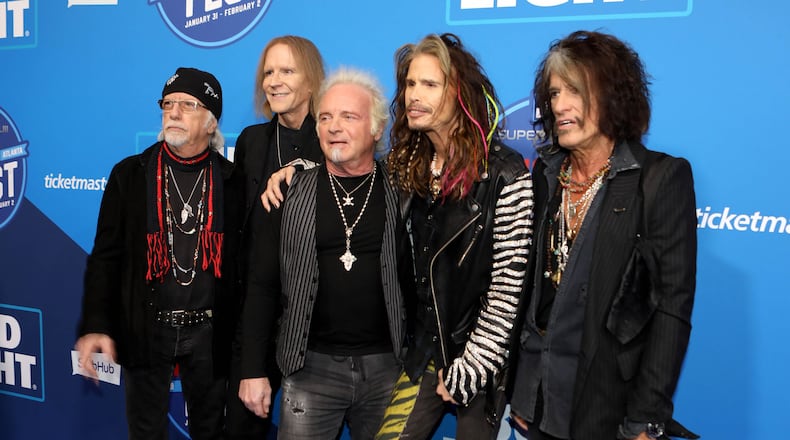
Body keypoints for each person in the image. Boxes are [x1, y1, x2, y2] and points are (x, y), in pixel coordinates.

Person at [508, 30, 698, 440]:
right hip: (538, 402)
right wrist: (522, 390)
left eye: (574, 90)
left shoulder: (659, 179)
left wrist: (645, 419)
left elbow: (670, 310)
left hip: (609, 410)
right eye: (554, 93)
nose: (559, 105)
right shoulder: (544, 174)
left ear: (612, 95)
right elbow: (529, 293)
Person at [375, 33, 534, 440]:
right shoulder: (406, 163)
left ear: (459, 93)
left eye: (429, 84)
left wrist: (469, 371)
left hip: (481, 361)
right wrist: (298, 168)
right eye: (410, 84)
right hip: (423, 352)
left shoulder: (504, 173)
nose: (413, 94)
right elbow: (348, 171)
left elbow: (507, 291)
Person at [239, 67, 411, 439]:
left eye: (349, 117)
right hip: (308, 368)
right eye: (327, 117)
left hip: (388, 368)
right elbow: (261, 286)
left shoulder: (404, 194)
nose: (334, 126)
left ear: (377, 129)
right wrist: (252, 368)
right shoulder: (287, 191)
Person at [75, 67, 244, 439]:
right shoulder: (130, 175)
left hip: (211, 333)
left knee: (211, 430)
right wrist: (96, 326)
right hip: (148, 327)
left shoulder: (234, 182)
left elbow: (246, 268)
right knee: (145, 431)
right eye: (168, 104)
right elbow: (106, 257)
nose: (174, 112)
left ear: (211, 122)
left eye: (188, 104)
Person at [229, 35, 325, 440]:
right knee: (241, 428)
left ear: (311, 79)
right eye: (269, 71)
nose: (274, 80)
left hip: (316, 326)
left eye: (287, 70)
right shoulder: (252, 142)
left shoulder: (332, 138)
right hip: (256, 314)